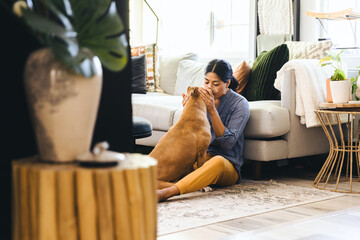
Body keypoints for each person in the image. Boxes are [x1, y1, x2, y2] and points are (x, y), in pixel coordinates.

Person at [157, 59, 250, 202]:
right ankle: (165, 182)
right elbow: (189, 136)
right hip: (200, 159)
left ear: (228, 83)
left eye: (216, 84)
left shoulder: (240, 104)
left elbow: (227, 144)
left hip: (226, 163)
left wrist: (212, 110)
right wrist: (189, 109)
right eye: (206, 82)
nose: (209, 87)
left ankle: (169, 191)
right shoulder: (199, 99)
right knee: (178, 161)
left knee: (217, 161)